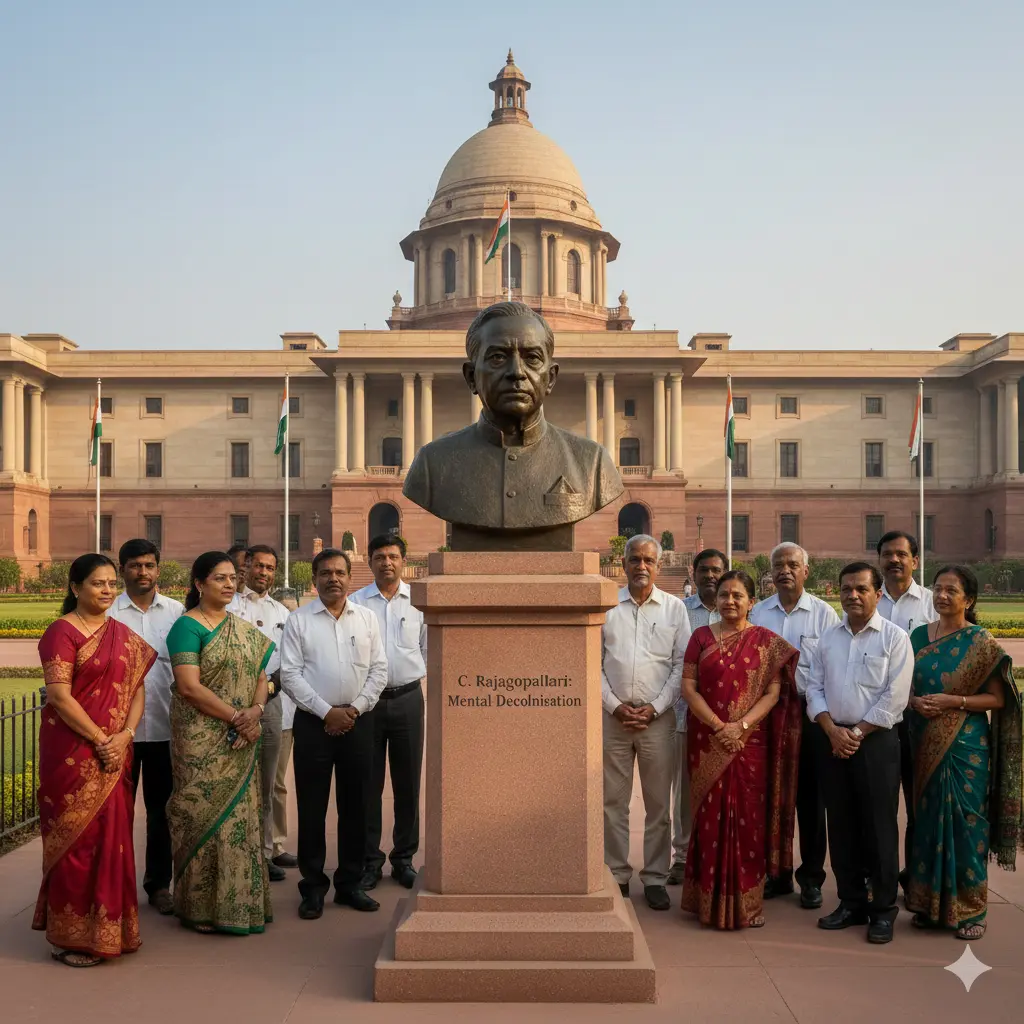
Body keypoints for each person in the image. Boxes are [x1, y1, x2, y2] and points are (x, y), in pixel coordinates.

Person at [403, 301, 623, 550]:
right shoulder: (433, 465)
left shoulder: (592, 464)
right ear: (471, 377)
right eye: (497, 357)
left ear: (551, 378)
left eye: (532, 358)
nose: (517, 372)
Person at [35, 554, 156, 967]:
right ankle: (70, 938)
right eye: (96, 583)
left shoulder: (122, 634)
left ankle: (111, 930)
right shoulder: (61, 632)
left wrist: (124, 736)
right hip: (72, 753)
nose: (106, 590)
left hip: (114, 751)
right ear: (75, 588)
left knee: (112, 841)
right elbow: (59, 696)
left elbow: (137, 689)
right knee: (76, 843)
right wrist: (101, 738)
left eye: (110, 583)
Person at [680, 570, 800, 930]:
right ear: (715, 601)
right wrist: (720, 727)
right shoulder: (700, 637)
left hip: (750, 744)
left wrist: (741, 727)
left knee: (749, 819)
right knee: (708, 817)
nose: (730, 601)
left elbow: (773, 694)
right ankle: (706, 898)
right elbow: (689, 688)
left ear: (751, 601)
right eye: (724, 595)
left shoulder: (766, 642)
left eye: (738, 595)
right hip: (708, 739)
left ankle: (747, 900)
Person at [906, 565, 1022, 939]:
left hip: (965, 745)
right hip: (922, 739)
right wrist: (912, 702)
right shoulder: (918, 635)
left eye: (950, 590)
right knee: (925, 823)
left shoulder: (981, 642)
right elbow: (901, 685)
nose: (941, 596)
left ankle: (971, 911)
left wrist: (953, 701)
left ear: (968, 600)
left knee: (964, 822)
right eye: (937, 589)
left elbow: (998, 698)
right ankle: (926, 905)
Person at [165, 551, 274, 934]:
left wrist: (256, 712)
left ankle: (240, 904)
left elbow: (261, 673)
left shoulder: (242, 628)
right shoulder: (187, 627)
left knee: (239, 821)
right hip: (201, 742)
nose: (230, 584)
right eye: (219, 578)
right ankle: (199, 906)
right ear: (199, 584)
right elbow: (189, 687)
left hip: (242, 736)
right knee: (199, 817)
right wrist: (235, 717)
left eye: (232, 577)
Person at [807, 562, 913, 944]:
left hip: (876, 743)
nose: (853, 595)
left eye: (861, 589)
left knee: (880, 827)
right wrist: (831, 729)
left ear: (878, 594)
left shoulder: (894, 639)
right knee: (841, 824)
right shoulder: (828, 638)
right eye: (846, 588)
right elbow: (814, 688)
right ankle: (851, 902)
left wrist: (856, 731)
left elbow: (895, 697)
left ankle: (882, 910)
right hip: (833, 739)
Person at [280, 549, 388, 919]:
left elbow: (379, 670)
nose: (333, 579)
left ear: (349, 577)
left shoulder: (368, 619)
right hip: (315, 723)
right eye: (325, 573)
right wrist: (328, 712)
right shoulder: (299, 621)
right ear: (315, 578)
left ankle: (350, 884)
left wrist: (354, 709)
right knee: (312, 808)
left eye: (340, 572)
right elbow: (290, 675)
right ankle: (312, 888)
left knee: (357, 806)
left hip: (359, 722)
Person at [602, 534, 691, 911]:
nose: (641, 566)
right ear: (623, 564)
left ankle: (655, 876)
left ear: (658, 565)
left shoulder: (674, 609)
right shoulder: (606, 607)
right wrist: (614, 706)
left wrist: (654, 707)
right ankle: (616, 875)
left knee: (658, 805)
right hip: (613, 719)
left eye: (648, 561)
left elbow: (681, 665)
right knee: (612, 802)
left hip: (658, 720)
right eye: (634, 559)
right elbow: (591, 663)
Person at [749, 543, 839, 909]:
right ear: (770, 573)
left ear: (806, 570)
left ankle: (811, 878)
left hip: (809, 714)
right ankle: (776, 873)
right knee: (770, 795)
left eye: (792, 564)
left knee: (810, 800)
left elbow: (831, 670)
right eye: (778, 565)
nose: (784, 570)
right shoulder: (758, 613)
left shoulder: (823, 615)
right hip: (767, 716)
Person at [107, 539, 184, 916]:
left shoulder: (176, 613)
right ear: (123, 570)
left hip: (164, 728)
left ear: (159, 569)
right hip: (116, 735)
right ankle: (115, 887)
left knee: (162, 813)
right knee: (115, 815)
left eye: (149, 565)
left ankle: (158, 885)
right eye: (135, 565)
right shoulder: (107, 612)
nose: (143, 572)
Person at [350, 534, 426, 891]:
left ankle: (404, 858)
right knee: (368, 784)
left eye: (393, 556)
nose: (386, 563)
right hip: (367, 703)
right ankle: (369, 860)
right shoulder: (356, 603)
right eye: (379, 556)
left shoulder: (419, 602)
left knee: (408, 783)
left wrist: (411, 672)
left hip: (408, 699)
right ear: (370, 561)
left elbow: (428, 648)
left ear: (403, 561)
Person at [875, 530, 938, 897]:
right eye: (887, 554)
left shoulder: (932, 603)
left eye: (902, 554)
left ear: (915, 560)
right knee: (877, 804)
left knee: (920, 803)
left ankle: (917, 877)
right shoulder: (868, 600)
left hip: (922, 720)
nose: (895, 560)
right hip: (878, 722)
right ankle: (876, 878)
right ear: (879, 560)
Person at [233, 545, 293, 882]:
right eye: (259, 566)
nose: (264, 574)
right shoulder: (228, 606)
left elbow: (289, 664)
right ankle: (235, 851)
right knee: (233, 781)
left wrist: (264, 694)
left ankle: (263, 853)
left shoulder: (282, 614)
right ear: (246, 566)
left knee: (267, 784)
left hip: (269, 704)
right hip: (228, 705)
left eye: (271, 568)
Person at [667, 548, 725, 886]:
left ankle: (719, 857)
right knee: (684, 793)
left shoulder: (741, 610)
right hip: (684, 716)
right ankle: (682, 857)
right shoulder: (680, 611)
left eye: (717, 570)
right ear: (694, 571)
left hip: (730, 721)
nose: (710, 576)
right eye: (704, 570)